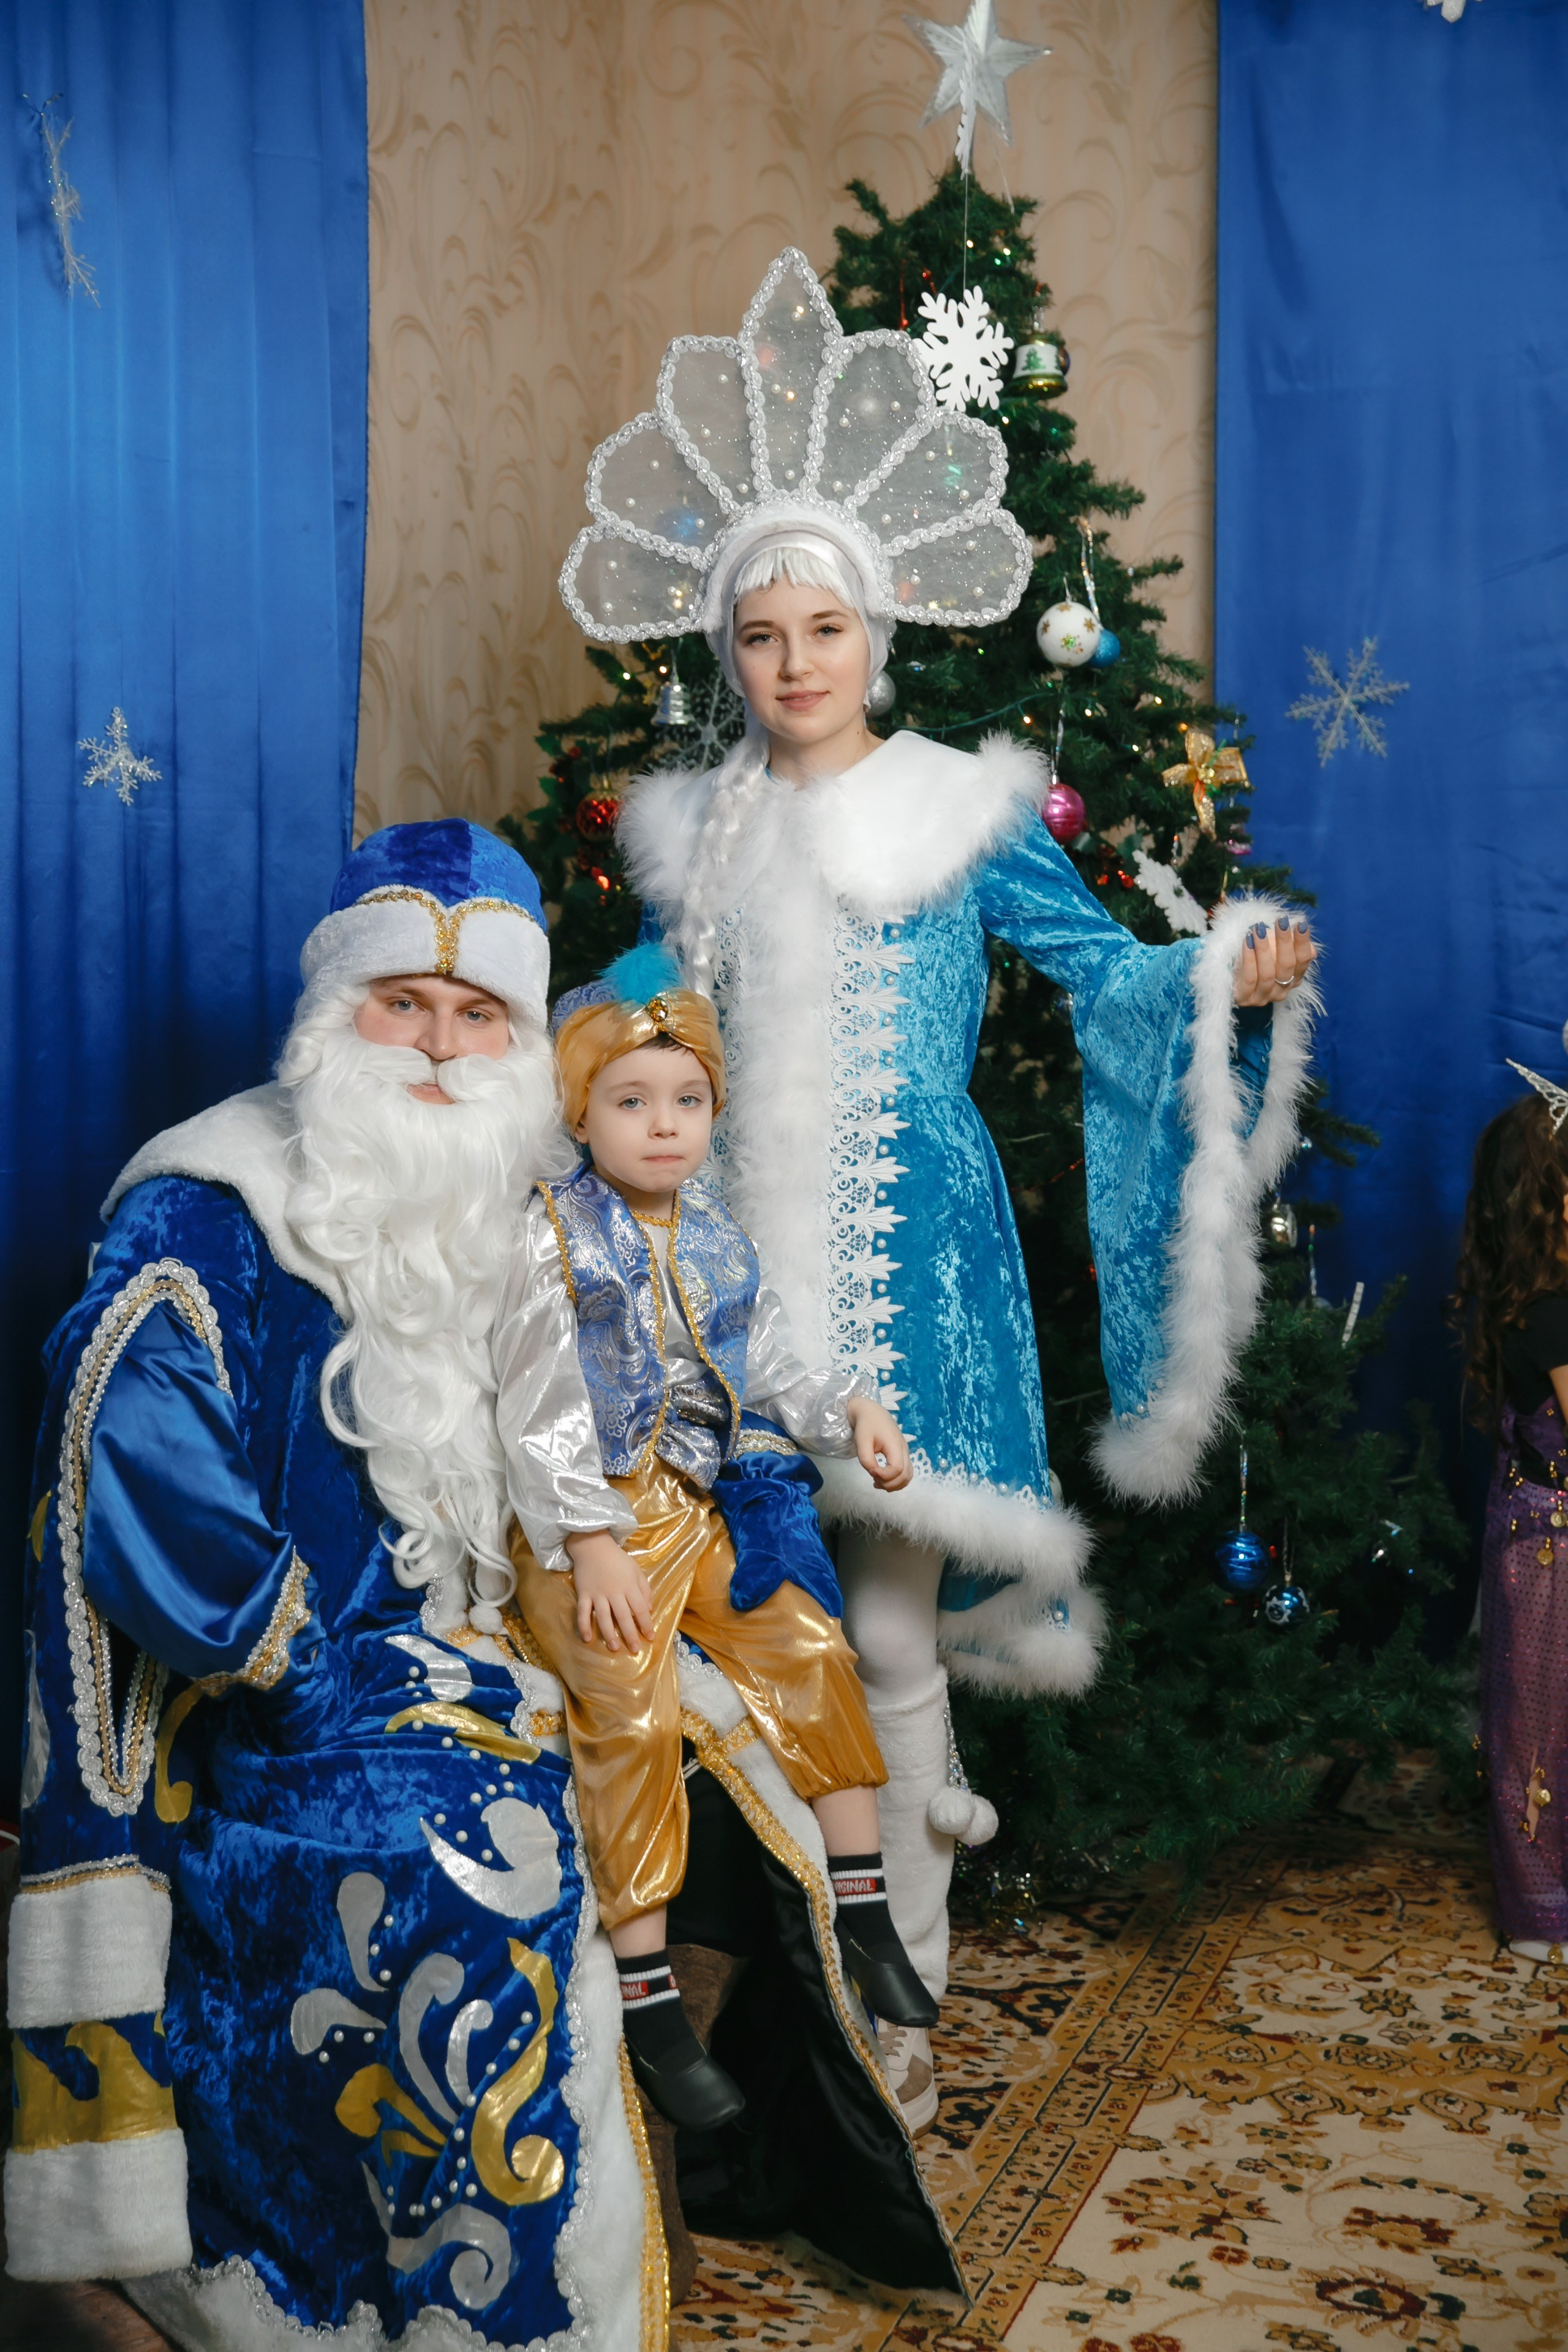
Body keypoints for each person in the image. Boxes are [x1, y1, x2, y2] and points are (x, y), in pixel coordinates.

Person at [9, 816, 959, 2336]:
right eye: (404, 1005)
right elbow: (121, 1426)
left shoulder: (559, 1192)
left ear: (522, 1043)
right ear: (337, 1016)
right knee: (463, 1846)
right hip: (298, 1681)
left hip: (526, 1610)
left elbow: (708, 1372)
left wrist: (749, 1539)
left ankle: (725, 2116)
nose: (440, 1048)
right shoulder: (215, 1200)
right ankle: (466, 2299)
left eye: (478, 1017)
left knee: (764, 1734)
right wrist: (285, 1652)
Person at [559, 246, 1321, 2124]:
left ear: (878, 635)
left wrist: (1214, 977)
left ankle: (905, 1985)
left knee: (886, 1625)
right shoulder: (706, 832)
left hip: (910, 1259)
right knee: (761, 1625)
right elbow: (646, 1024)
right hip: (737, 1265)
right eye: (761, 636)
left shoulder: (965, 812)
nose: (795, 664)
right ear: (728, 652)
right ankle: (804, 1936)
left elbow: (1104, 970)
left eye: (826, 630)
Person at [492, 944, 935, 2132]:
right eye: (631, 1103)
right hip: (587, 1518)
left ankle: (866, 1908)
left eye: (686, 1103)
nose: (663, 1127)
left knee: (804, 1634)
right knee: (627, 1701)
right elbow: (534, 1404)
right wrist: (588, 1544)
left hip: (692, 1502)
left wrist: (849, 1411)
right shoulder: (550, 1236)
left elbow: (770, 1360)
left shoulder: (715, 1236)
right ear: (579, 1111)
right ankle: (647, 2000)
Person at [1451, 1069, 1568, 1963]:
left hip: (1538, 1533)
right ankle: (1542, 1909)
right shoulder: (1554, 1314)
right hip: (1550, 1551)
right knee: (1537, 1727)